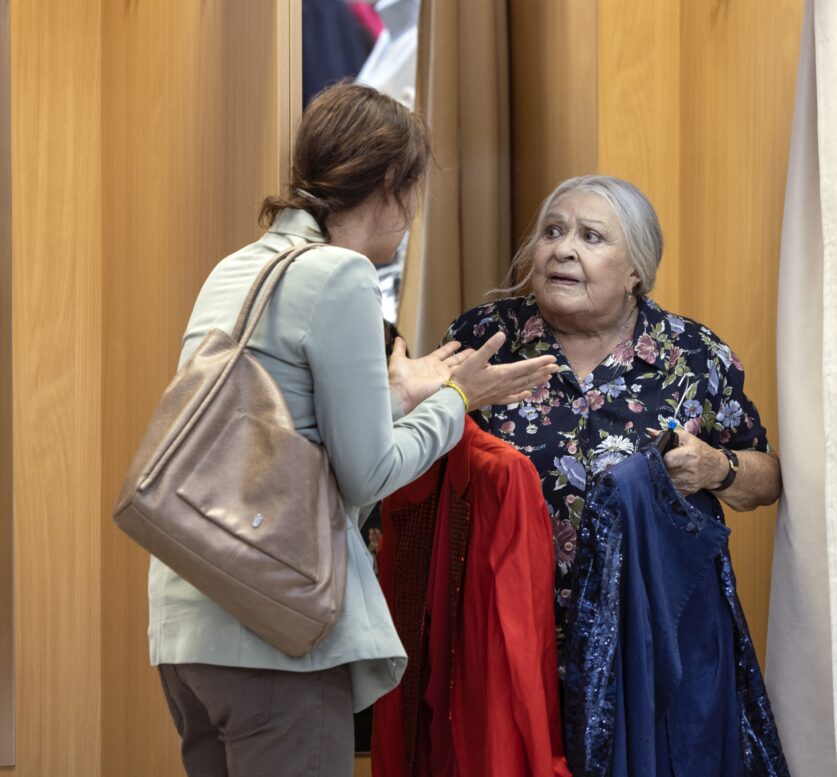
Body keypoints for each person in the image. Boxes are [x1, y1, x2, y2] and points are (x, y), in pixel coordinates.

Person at [149, 81, 558, 777]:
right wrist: (460, 397)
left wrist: (399, 391)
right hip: (275, 630)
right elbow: (370, 472)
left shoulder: (238, 268)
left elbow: (278, 419)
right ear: (394, 182)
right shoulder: (338, 274)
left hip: (189, 624)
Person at [444, 175, 786, 773]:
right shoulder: (485, 339)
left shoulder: (693, 356)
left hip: (644, 647)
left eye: (590, 236)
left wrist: (716, 468)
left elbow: (767, 478)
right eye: (553, 231)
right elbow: (427, 458)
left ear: (635, 269)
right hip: (507, 639)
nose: (563, 249)